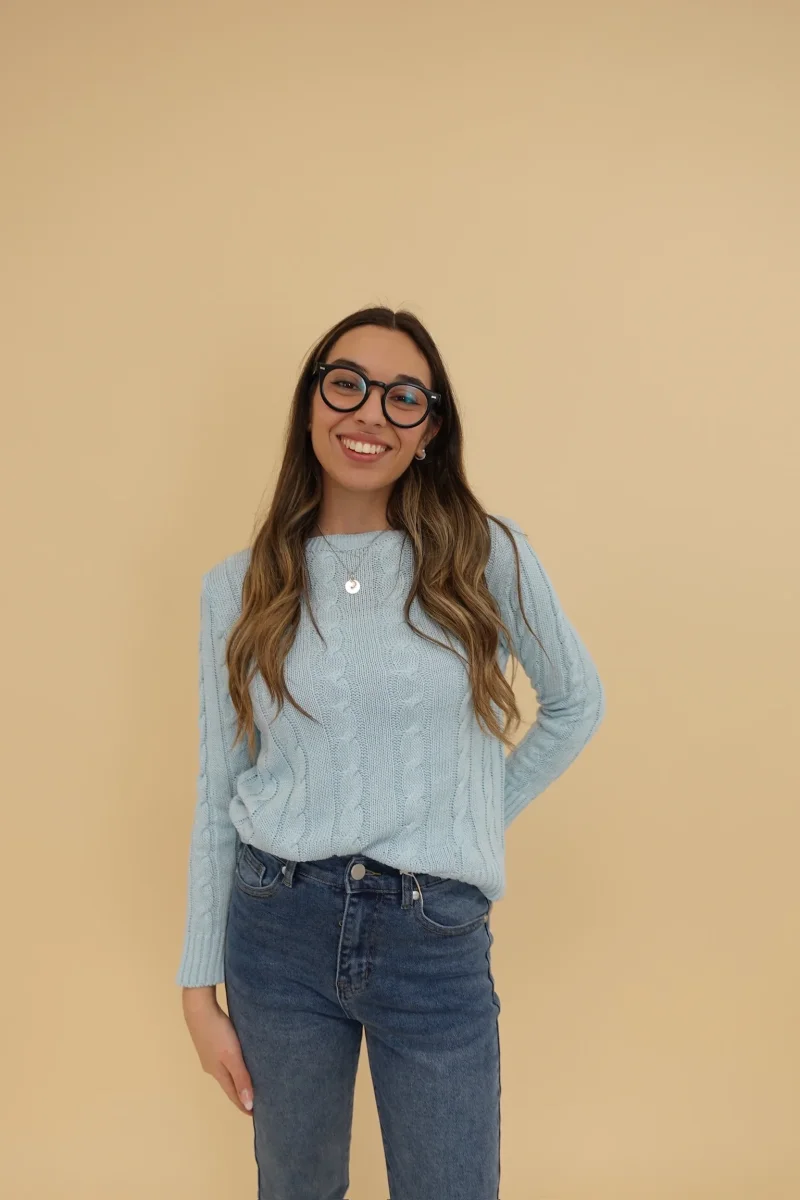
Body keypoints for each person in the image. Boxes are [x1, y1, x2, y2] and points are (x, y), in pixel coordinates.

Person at [176, 305, 605, 1200]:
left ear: (430, 428)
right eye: (347, 385)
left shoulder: (487, 555)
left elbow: (575, 704)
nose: (370, 412)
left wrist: (467, 814)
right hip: (276, 928)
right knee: (295, 1188)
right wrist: (197, 989)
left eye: (403, 397)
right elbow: (221, 789)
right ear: (311, 402)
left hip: (432, 936)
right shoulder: (238, 588)